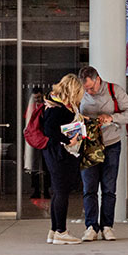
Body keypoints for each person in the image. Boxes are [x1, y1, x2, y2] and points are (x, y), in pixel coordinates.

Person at [76, 66, 128, 241]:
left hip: (111, 144)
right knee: (89, 188)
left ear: (98, 80)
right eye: (86, 89)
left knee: (109, 188)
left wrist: (112, 118)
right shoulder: (81, 94)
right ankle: (91, 227)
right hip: (89, 145)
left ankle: (107, 226)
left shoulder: (114, 90)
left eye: (91, 87)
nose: (89, 91)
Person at [39, 74, 85, 246]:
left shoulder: (56, 102)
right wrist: (69, 140)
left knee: (59, 192)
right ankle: (61, 231)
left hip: (57, 152)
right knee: (61, 192)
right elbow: (50, 130)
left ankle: (54, 230)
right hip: (58, 153)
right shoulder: (56, 107)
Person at [25, 89, 48, 205]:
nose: (37, 100)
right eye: (35, 98)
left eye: (38, 98)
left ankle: (47, 189)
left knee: (46, 166)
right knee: (34, 166)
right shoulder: (32, 107)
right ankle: (36, 190)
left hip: (43, 138)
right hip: (35, 139)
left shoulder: (46, 107)